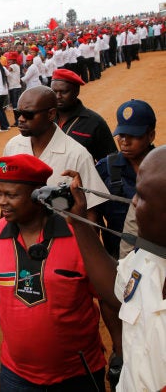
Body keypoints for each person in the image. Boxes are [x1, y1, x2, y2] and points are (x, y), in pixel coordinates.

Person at [0, 154, 106, 390]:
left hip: (78, 373)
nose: (1, 201)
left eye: (11, 195)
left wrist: (119, 349)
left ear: (38, 196)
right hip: (15, 375)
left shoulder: (78, 236)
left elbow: (106, 297)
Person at [65, 145, 166, 392]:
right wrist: (80, 223)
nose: (132, 201)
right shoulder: (146, 255)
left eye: (141, 196)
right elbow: (116, 288)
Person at [3, 86, 109, 217]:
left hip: (62, 234)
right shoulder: (13, 147)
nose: (20, 119)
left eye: (28, 114)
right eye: (17, 113)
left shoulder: (77, 155)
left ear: (51, 114)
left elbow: (91, 212)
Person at [95, 100, 156, 259]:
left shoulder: (161, 168)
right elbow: (93, 215)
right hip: (118, 257)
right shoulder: (104, 169)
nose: (125, 142)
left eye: (133, 136)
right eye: (121, 135)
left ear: (151, 135)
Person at [51, 69, 116, 162]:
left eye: (64, 92)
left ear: (77, 91)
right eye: (54, 92)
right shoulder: (45, 118)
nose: (58, 96)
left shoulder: (95, 122)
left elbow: (110, 160)